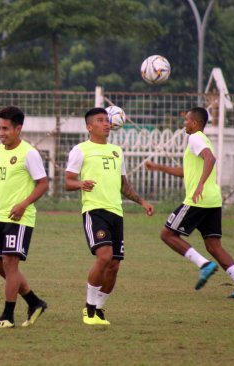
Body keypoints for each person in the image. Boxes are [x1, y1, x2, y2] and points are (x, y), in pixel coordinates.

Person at [145, 107, 234, 299]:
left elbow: (210, 159)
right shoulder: (202, 140)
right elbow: (186, 171)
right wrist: (158, 167)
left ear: (194, 123)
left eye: (186, 120)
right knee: (213, 245)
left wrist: (200, 185)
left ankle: (204, 265)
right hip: (212, 200)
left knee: (167, 234)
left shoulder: (194, 138)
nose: (184, 123)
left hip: (198, 200)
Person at [65, 107, 154, 326]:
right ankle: (89, 309)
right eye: (100, 120)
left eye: (107, 120)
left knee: (114, 266)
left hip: (116, 212)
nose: (106, 123)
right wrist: (80, 184)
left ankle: (100, 309)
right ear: (89, 126)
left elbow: (124, 186)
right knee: (104, 257)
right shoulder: (81, 150)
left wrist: (142, 201)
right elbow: (68, 182)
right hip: (94, 211)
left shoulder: (117, 151)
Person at [0, 106, 49, 329]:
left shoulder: (29, 153)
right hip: (2, 218)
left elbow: (43, 184)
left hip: (21, 219)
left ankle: (8, 316)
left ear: (18, 129)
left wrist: (24, 204)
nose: (1, 132)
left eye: (5, 128)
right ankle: (35, 302)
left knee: (10, 263)